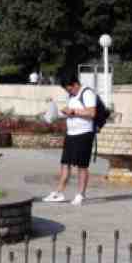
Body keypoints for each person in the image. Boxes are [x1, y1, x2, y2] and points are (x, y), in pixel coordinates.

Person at [43, 72, 98, 205]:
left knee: (81, 166)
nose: (69, 91)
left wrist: (73, 112)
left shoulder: (87, 93)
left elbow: (92, 113)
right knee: (65, 163)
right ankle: (59, 192)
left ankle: (80, 194)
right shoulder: (71, 95)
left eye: (69, 89)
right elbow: (71, 112)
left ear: (75, 84)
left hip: (84, 133)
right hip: (71, 133)